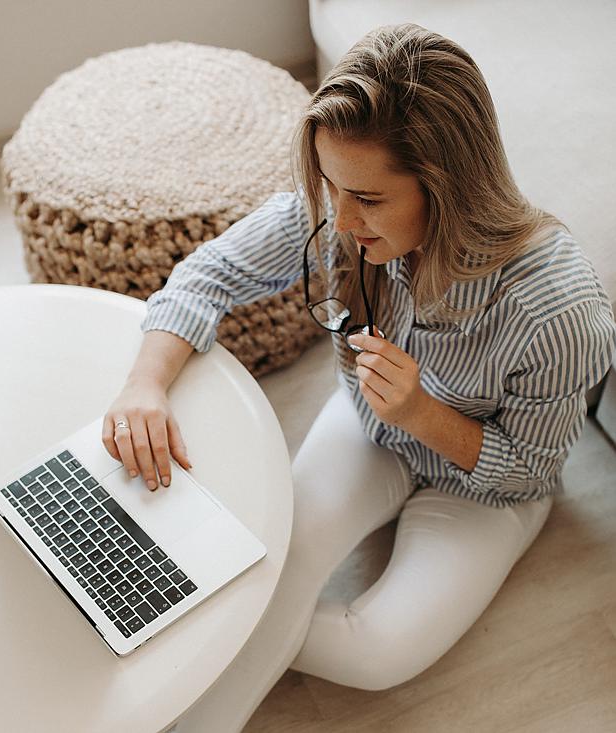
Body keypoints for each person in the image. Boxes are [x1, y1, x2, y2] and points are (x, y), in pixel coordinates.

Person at [103, 23, 615, 731]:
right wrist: (144, 385)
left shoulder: (559, 313)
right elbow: (206, 276)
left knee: (375, 653)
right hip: (369, 427)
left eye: (369, 199)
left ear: (446, 185)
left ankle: (199, 627)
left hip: (483, 489)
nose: (340, 218)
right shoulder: (339, 210)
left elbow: (529, 471)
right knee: (271, 574)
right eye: (333, 189)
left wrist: (424, 412)